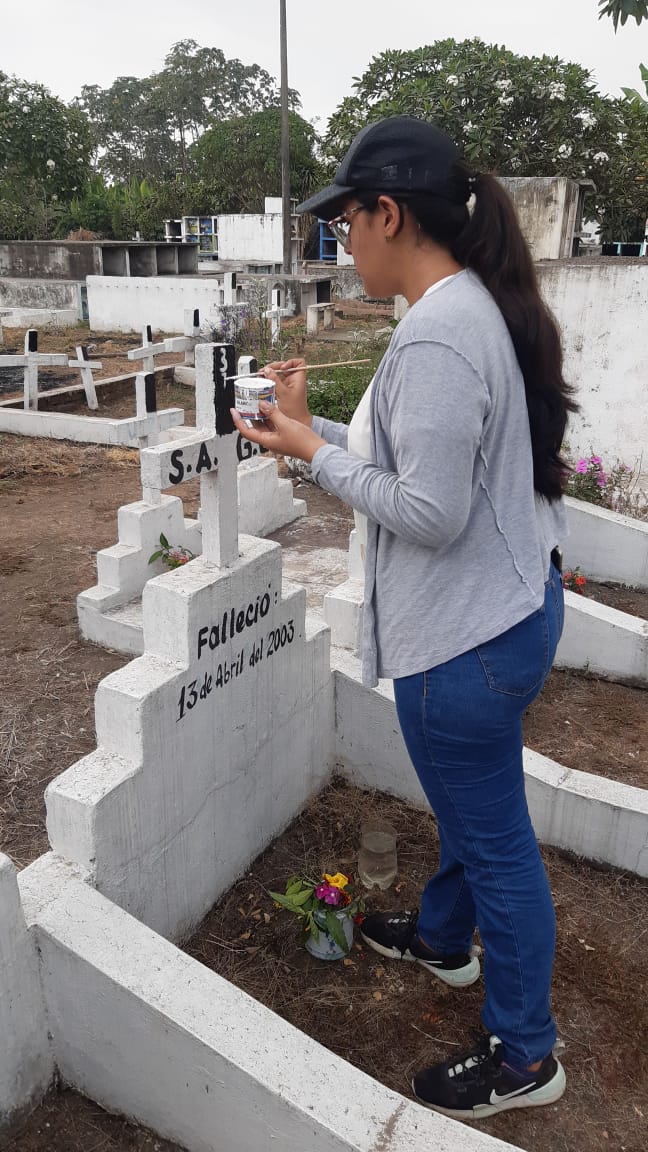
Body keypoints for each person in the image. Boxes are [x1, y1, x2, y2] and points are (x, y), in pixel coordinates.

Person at [230, 115, 577, 1121]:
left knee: (496, 843)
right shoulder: (466, 308)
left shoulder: (438, 332)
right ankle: (442, 939)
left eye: (343, 222)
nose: (341, 242)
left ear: (388, 213)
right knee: (477, 814)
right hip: (507, 612)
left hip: (465, 641)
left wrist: (312, 454)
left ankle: (526, 1053)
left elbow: (428, 510)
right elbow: (416, 459)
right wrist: (311, 432)